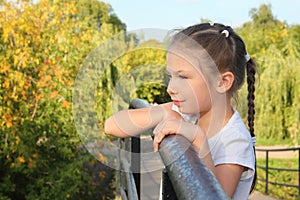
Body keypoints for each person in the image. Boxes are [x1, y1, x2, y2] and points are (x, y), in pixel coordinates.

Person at [104, 22, 256, 199]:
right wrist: (163, 113)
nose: (170, 88)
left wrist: (197, 137)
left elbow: (210, 195)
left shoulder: (234, 141)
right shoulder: (186, 113)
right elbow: (111, 125)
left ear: (222, 82)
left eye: (183, 77)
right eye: (171, 76)